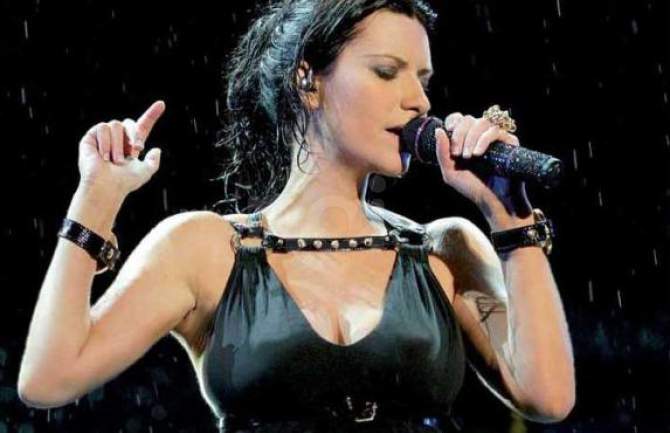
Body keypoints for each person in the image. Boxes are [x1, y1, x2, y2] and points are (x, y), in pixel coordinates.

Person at [17, 0, 575, 431]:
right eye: (388, 72)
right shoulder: (203, 248)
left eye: (423, 81)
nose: (419, 102)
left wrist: (509, 218)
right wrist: (96, 199)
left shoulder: (447, 249)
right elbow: (48, 380)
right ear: (308, 81)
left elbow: (547, 398)